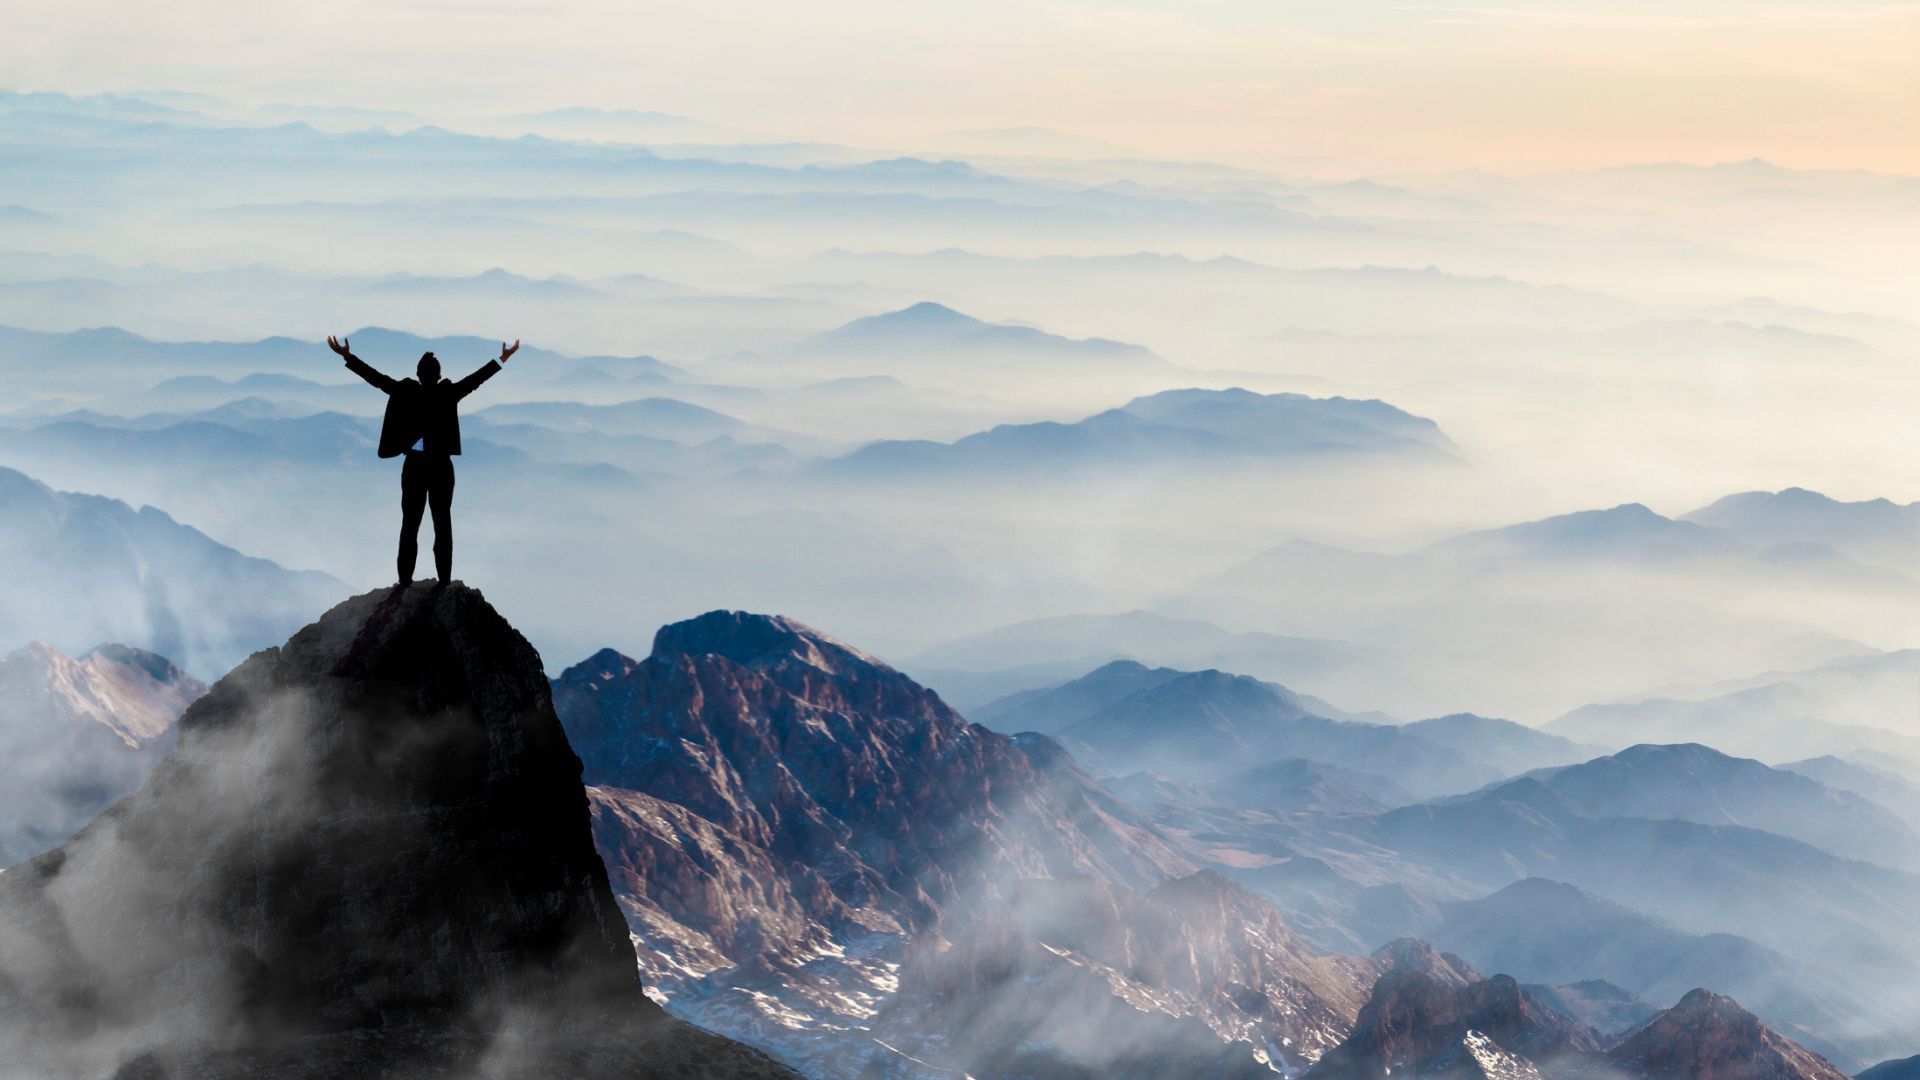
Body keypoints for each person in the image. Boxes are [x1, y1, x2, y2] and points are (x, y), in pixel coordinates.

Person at [328, 335, 520, 585]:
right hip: (441, 467)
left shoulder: (405, 392)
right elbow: (476, 380)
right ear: (438, 375)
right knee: (442, 523)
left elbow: (376, 379)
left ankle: (405, 581)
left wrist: (347, 356)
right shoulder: (448, 393)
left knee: (410, 524)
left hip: (415, 467)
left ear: (418, 374)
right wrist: (502, 359)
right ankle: (444, 581)